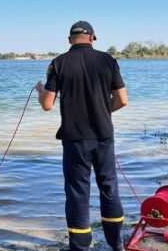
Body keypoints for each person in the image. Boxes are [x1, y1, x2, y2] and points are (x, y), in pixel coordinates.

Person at [35, 21, 129, 251]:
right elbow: (123, 100)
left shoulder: (59, 63)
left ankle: (79, 247)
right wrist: (104, 111)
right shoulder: (108, 61)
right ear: (92, 37)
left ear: (69, 40)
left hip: (75, 139)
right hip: (104, 136)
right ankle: (117, 244)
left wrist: (40, 91)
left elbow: (47, 104)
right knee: (109, 187)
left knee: (78, 193)